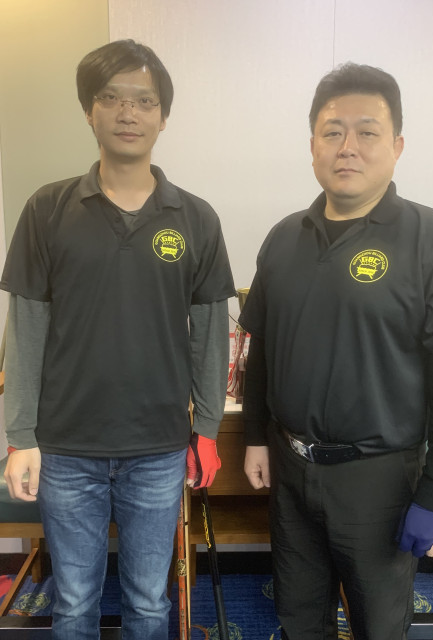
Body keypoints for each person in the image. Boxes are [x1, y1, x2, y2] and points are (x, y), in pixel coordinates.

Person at [1, 39, 235, 640]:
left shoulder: (196, 218)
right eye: (111, 98)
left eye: (144, 101)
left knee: (150, 603)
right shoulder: (47, 209)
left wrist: (208, 429)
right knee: (74, 602)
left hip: (158, 447)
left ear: (163, 116)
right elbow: (25, 330)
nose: (129, 112)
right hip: (66, 447)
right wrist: (20, 436)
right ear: (89, 110)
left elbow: (211, 336)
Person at [240, 63, 433, 640]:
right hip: (291, 470)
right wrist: (254, 436)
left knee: (379, 626)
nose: (347, 146)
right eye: (332, 131)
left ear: (396, 146)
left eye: (367, 131)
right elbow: (262, 350)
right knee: (299, 618)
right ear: (313, 146)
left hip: (381, 480)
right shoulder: (283, 238)